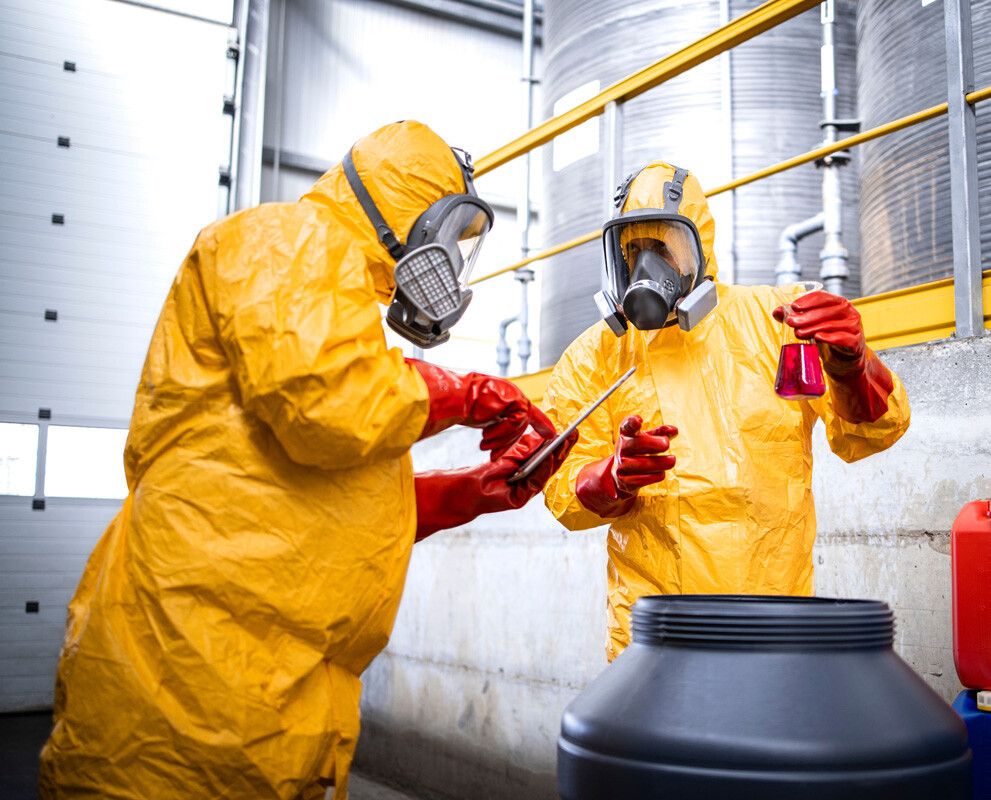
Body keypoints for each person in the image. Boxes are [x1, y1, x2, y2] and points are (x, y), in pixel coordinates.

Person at [39, 120, 572, 800]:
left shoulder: (331, 299)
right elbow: (327, 405)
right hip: (187, 685)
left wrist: (474, 492)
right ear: (412, 215)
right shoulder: (286, 240)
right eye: (450, 237)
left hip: (253, 696)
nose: (450, 264)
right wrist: (468, 394)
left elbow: (317, 510)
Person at [541, 161, 910, 660]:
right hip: (654, 637)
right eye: (633, 250)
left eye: (664, 247)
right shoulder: (597, 356)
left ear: (699, 248)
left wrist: (852, 367)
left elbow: (870, 434)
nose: (648, 267)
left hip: (773, 627)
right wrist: (612, 480)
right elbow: (561, 493)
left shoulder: (777, 322)